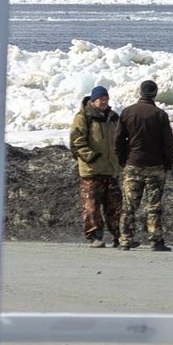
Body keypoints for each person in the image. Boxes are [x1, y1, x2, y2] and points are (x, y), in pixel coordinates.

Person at [115, 78, 173, 251]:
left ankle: (125, 240)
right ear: (155, 94)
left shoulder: (127, 112)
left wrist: (123, 160)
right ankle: (155, 241)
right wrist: (167, 164)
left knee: (128, 205)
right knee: (154, 206)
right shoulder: (160, 115)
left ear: (140, 93)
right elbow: (168, 143)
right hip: (155, 166)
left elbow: (118, 140)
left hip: (132, 164)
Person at [67, 86, 122, 247]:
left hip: (111, 170)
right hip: (92, 170)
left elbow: (120, 139)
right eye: (101, 99)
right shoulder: (83, 117)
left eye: (106, 99)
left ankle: (118, 236)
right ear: (93, 100)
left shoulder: (113, 118)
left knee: (115, 205)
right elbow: (76, 141)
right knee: (92, 206)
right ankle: (94, 236)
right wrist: (90, 157)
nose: (104, 101)